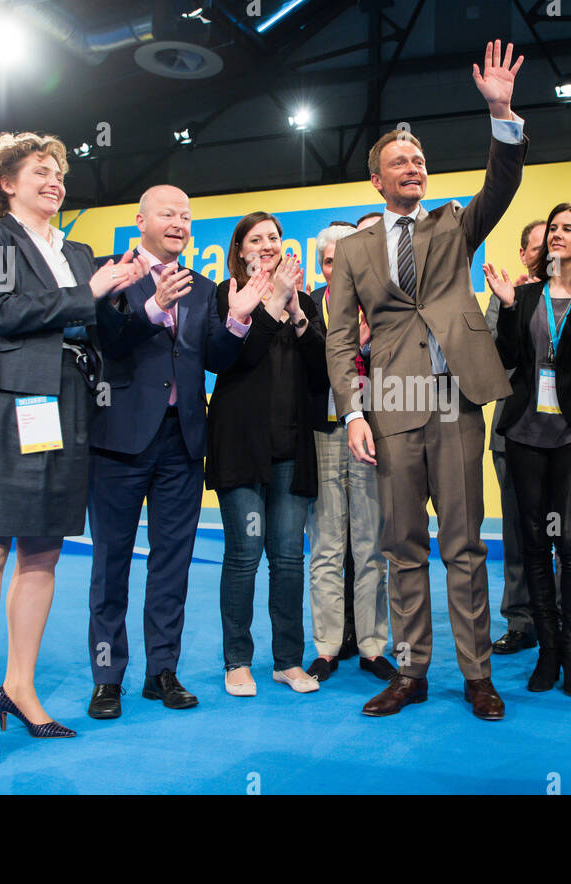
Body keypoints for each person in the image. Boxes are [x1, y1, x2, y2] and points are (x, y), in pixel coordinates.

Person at [326, 40, 527, 721]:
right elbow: (339, 336)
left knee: (464, 546)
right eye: (398, 163)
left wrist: (500, 112)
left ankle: (477, 674)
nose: (412, 168)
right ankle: (412, 672)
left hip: (454, 403)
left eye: (418, 160)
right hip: (388, 407)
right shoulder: (352, 250)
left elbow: (502, 182)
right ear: (377, 182)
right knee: (402, 548)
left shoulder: (453, 225)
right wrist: (353, 413)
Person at [0, 131, 150, 764]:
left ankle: (20, 686)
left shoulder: (82, 251)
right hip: (5, 394)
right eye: (40, 170)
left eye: (59, 173)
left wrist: (134, 298)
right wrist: (88, 294)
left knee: (43, 553)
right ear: (7, 182)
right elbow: (3, 313)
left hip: (67, 400)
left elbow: (104, 331)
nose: (54, 181)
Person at [85, 185, 258, 719]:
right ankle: (107, 678)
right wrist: (155, 309)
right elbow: (107, 344)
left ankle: (162, 671)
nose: (180, 222)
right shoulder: (112, 274)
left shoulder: (206, 289)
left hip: (182, 441)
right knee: (111, 563)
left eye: (187, 215)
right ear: (141, 220)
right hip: (117, 439)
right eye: (169, 213)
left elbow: (217, 360)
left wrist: (239, 319)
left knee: (172, 563)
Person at [483, 201, 571, 698]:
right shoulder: (524, 293)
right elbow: (509, 360)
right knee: (535, 545)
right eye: (553, 227)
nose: (557, 234)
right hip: (524, 432)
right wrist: (509, 308)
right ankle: (548, 652)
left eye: (567, 228)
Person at [208, 212, 325, 697]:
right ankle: (237, 660)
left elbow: (322, 371)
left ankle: (288, 662)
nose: (266, 244)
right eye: (255, 238)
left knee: (288, 558)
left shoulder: (307, 299)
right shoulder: (226, 294)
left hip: (291, 450)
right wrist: (268, 306)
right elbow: (227, 359)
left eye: (273, 237)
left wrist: (296, 313)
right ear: (239, 250)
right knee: (244, 555)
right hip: (240, 446)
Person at [305, 224, 394, 682]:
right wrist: (345, 347)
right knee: (325, 545)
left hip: (372, 430)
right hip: (320, 433)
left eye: (345, 259)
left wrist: (369, 345)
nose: (337, 269)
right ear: (321, 266)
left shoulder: (381, 304)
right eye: (328, 261)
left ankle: (372, 645)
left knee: (369, 545)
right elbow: (300, 368)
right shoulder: (304, 304)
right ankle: (325, 646)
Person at [487, 218, 544, 655]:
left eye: (554, 244)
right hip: (513, 430)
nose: (545, 254)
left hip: (567, 435)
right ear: (523, 254)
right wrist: (510, 308)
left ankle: (559, 618)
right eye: (536, 248)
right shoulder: (504, 297)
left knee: (565, 535)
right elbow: (487, 356)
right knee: (516, 532)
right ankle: (521, 620)